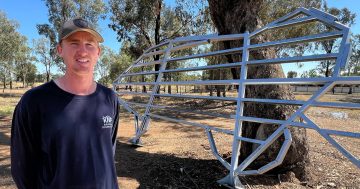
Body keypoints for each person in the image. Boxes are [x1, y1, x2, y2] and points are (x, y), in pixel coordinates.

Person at [11, 18, 120, 189]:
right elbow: (22, 169)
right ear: (60, 49)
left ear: (98, 52)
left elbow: (108, 152)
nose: (83, 51)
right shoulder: (34, 101)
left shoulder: (109, 98)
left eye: (90, 44)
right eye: (74, 43)